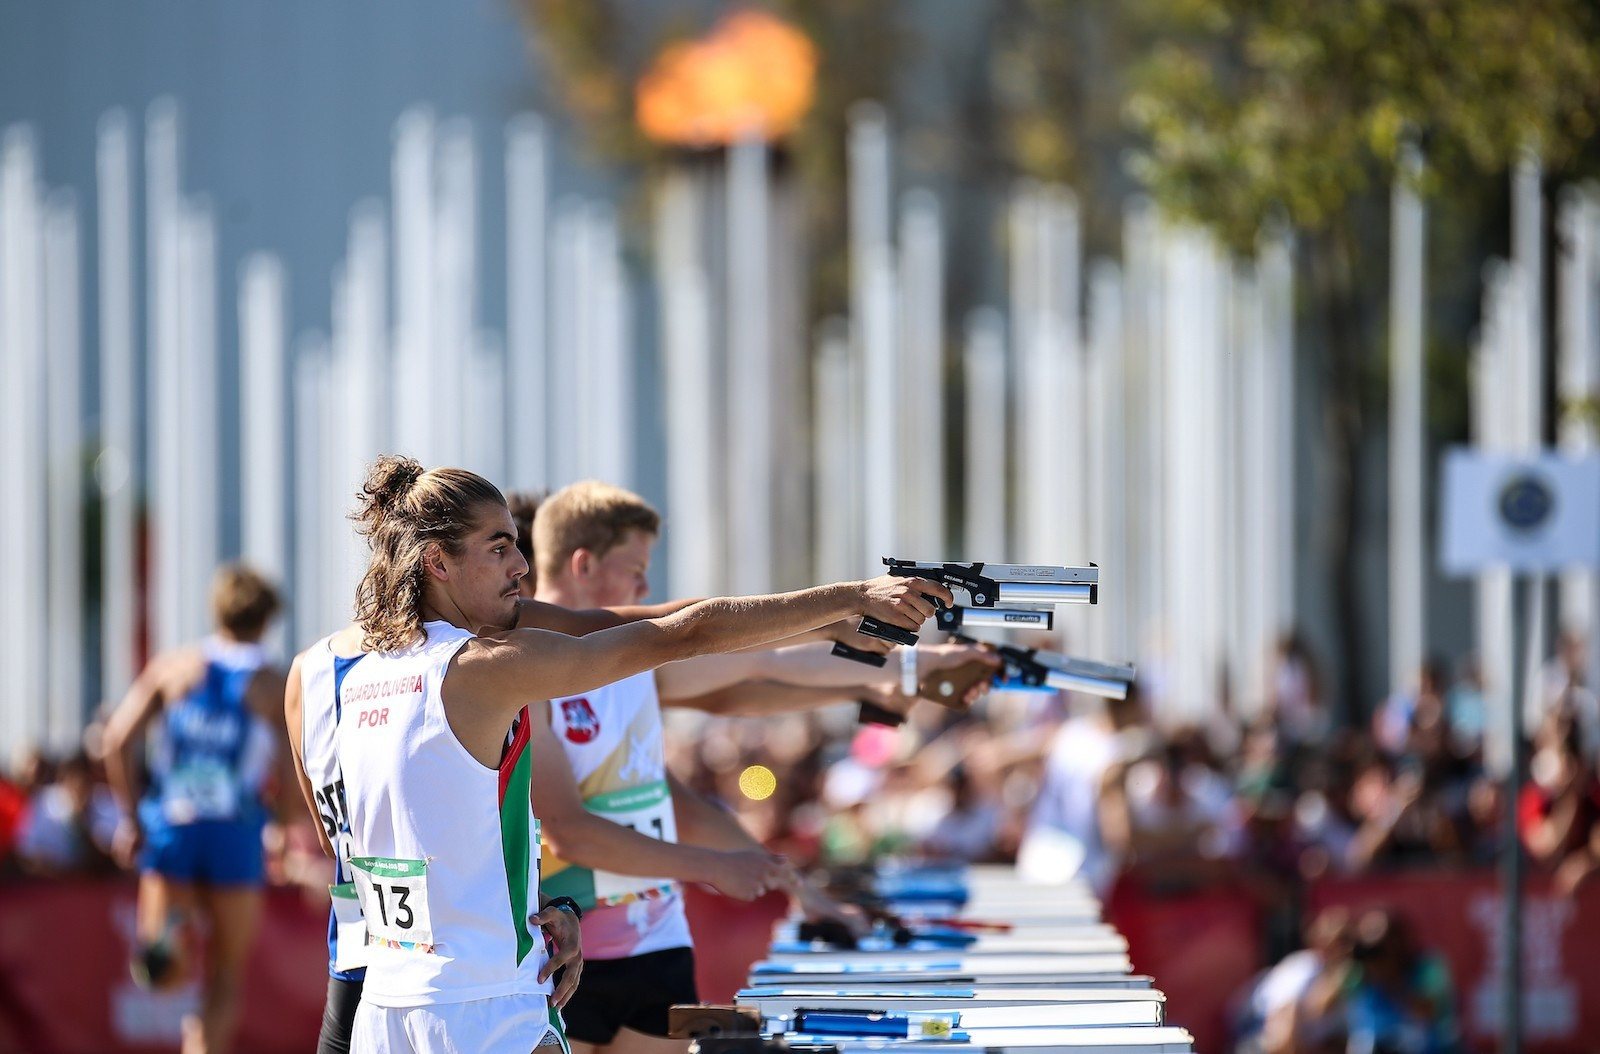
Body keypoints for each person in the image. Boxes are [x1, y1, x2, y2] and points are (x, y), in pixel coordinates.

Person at [321, 456, 945, 1054]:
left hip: (385, 1005)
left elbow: (380, 849)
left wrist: (545, 908)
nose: (520, 564)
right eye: (498, 547)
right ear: (437, 562)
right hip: (485, 1005)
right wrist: (850, 597)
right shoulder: (486, 668)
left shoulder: (355, 676)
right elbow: (685, 632)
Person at [525, 480, 992, 1054]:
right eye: (636, 568)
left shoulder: (638, 665)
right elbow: (571, 831)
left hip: (658, 944)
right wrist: (713, 866)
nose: (646, 586)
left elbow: (760, 664)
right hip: (567, 954)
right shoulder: (527, 672)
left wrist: (915, 672)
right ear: (583, 563)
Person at [101, 564, 287, 1054]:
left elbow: (115, 741)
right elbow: (295, 769)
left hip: (173, 824)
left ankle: (178, 933)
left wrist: (129, 817)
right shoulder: (272, 683)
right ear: (267, 620)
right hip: (235, 830)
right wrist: (284, 829)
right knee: (226, 974)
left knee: (160, 975)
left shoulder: (174, 668)